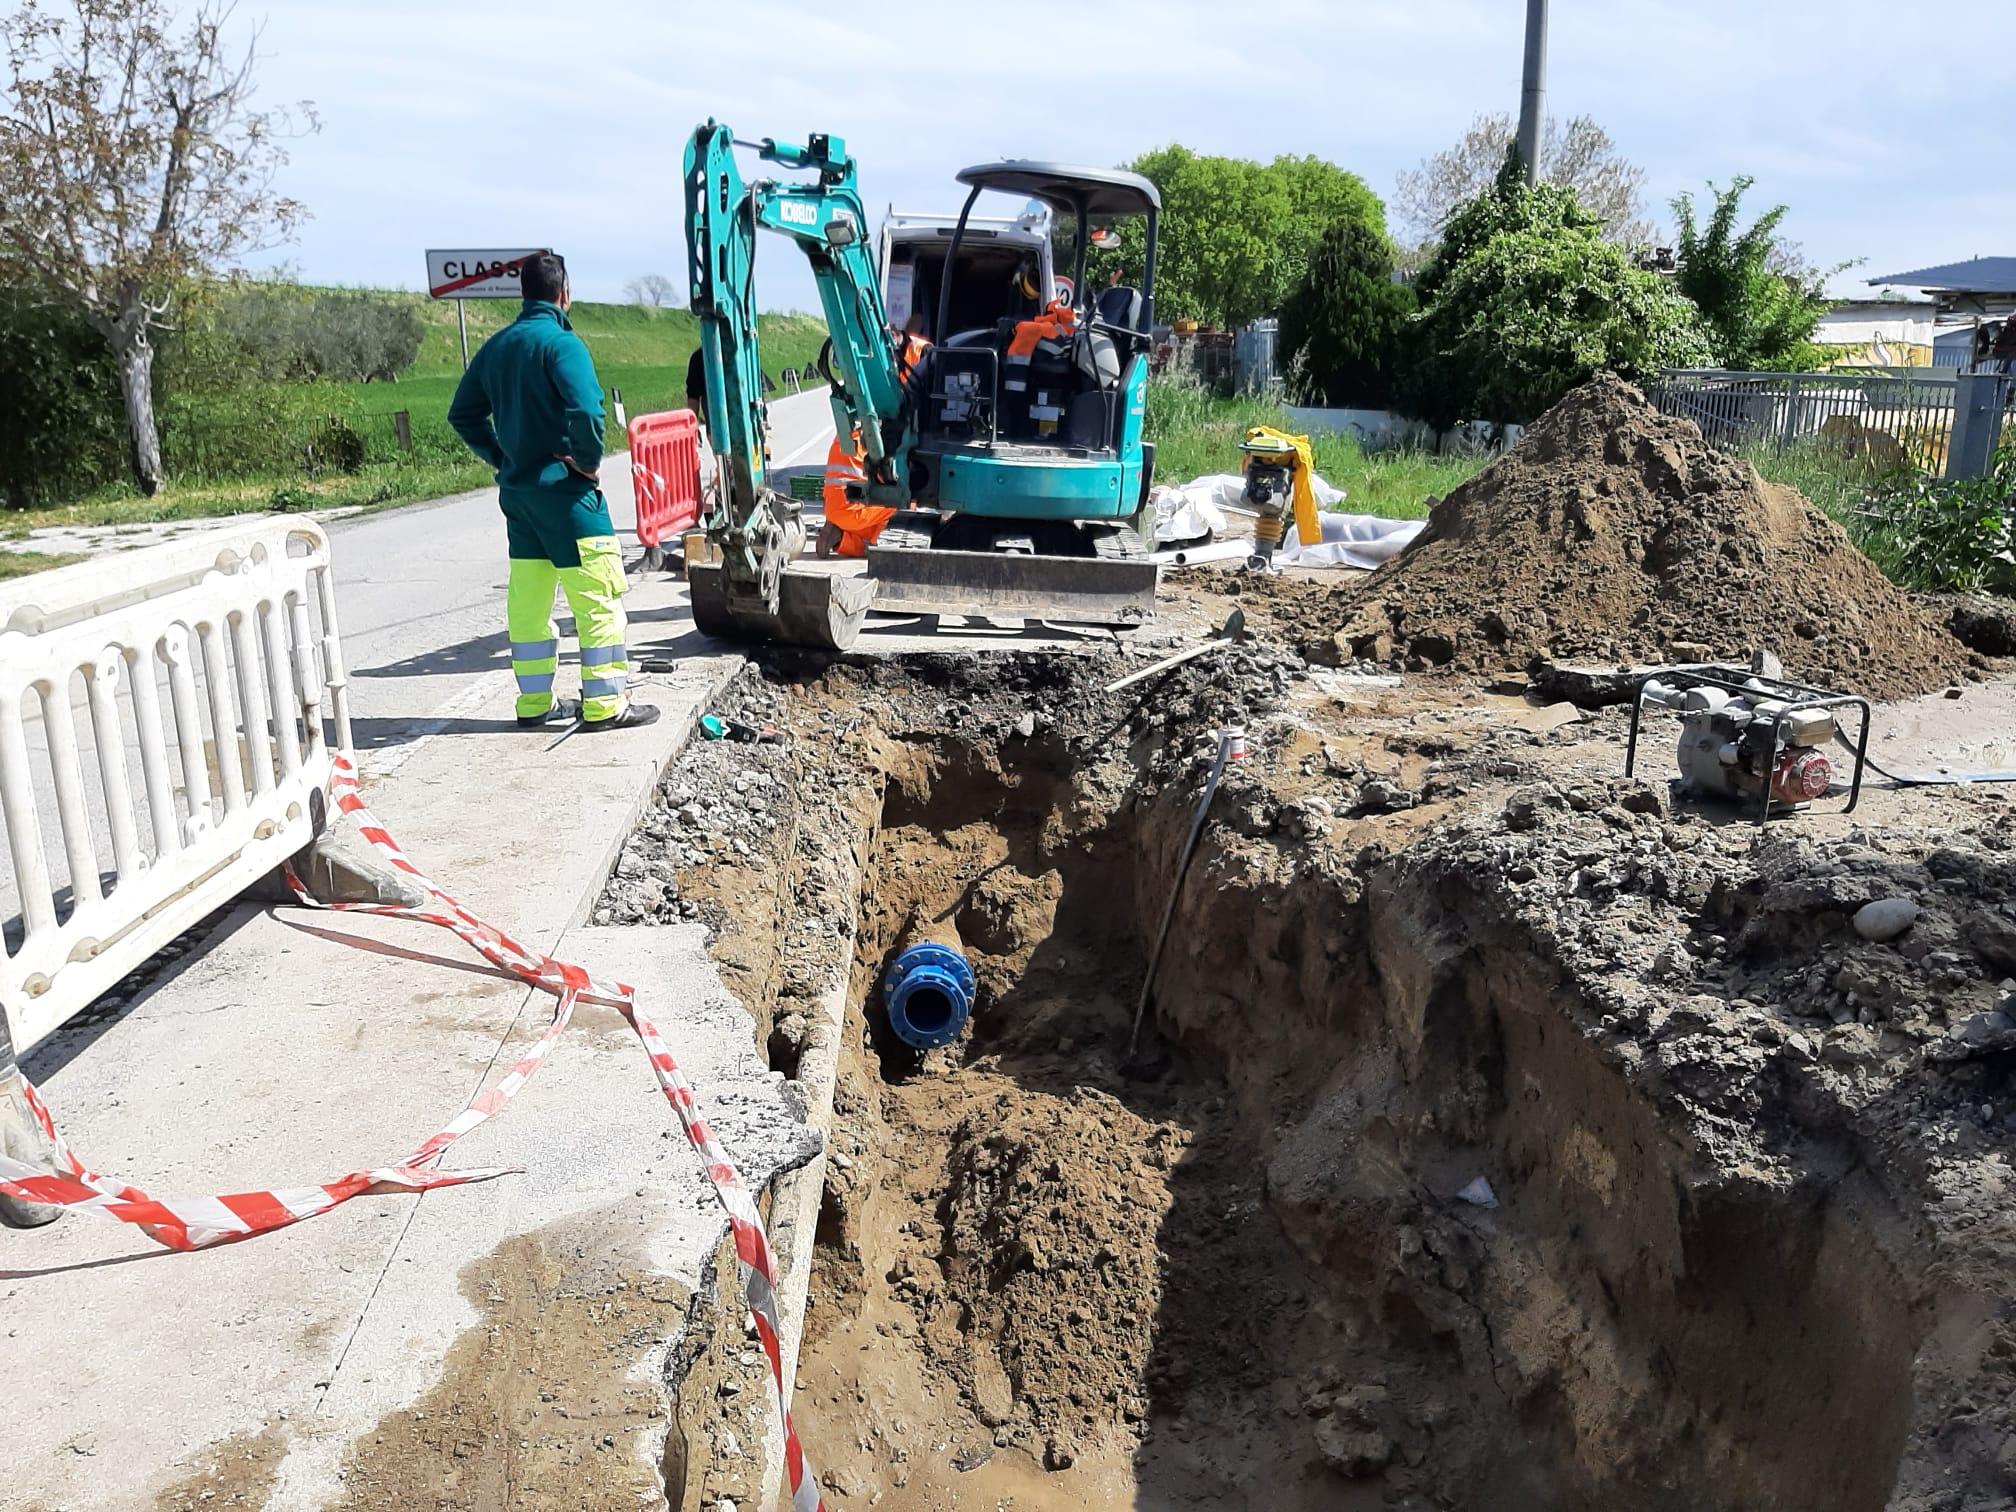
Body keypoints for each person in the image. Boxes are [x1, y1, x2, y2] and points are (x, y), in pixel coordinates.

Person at [449, 253, 657, 732]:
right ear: (565, 292)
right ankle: (606, 706)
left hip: (520, 501)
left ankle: (535, 704)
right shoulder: (563, 344)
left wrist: (503, 458)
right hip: (568, 499)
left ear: (524, 292)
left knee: (529, 606)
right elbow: (587, 412)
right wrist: (585, 462)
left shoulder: (497, 346)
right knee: (597, 601)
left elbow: (462, 414)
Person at [817, 332, 930, 558]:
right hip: (853, 507)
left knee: (882, 517)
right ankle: (844, 537)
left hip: (837, 508)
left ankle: (841, 535)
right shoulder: (884, 435)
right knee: (908, 507)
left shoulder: (859, 427)